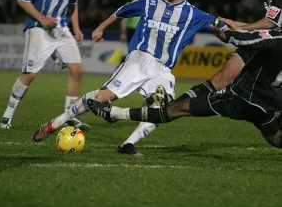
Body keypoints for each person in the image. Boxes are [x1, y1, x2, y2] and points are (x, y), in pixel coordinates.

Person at [32, 0, 226, 151]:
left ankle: (128, 144)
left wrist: (229, 33)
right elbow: (120, 12)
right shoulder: (149, 1)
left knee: (164, 109)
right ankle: (56, 123)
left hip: (163, 69)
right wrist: (101, 27)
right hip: (140, 60)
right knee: (102, 98)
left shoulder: (193, 14)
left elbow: (221, 26)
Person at [88, 25, 282, 149]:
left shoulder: (276, 38)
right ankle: (120, 117)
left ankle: (115, 113)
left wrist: (227, 35)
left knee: (175, 109)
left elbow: (253, 38)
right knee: (275, 138)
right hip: (265, 103)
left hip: (243, 98)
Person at [0, 0, 89, 131]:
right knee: (30, 74)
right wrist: (42, 19)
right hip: (38, 28)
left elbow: (73, 3)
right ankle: (7, 115)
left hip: (60, 27)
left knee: (77, 70)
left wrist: (76, 28)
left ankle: (69, 116)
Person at [118, 0, 142, 66]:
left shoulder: (144, 5)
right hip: (131, 30)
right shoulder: (129, 5)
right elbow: (124, 21)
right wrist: (123, 33)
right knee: (133, 50)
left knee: (140, 50)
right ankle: (128, 66)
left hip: (141, 30)